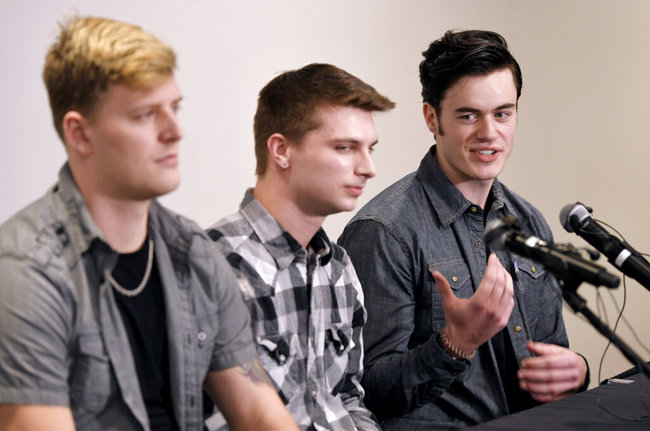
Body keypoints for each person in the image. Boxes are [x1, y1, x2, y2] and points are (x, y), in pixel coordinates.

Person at [0, 16, 297, 431]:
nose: (175, 131)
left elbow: (258, 412)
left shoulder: (194, 253)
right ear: (80, 134)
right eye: (144, 115)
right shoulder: (26, 273)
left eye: (174, 108)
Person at [338, 30, 589, 430]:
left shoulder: (530, 222)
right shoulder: (383, 232)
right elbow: (365, 392)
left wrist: (575, 371)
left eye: (503, 113)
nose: (489, 132)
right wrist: (455, 345)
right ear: (431, 118)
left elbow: (552, 353)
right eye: (469, 115)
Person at [206, 63, 395, 430]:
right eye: (345, 148)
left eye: (369, 149)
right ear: (281, 150)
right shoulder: (216, 263)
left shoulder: (338, 267)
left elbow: (348, 398)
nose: (368, 168)